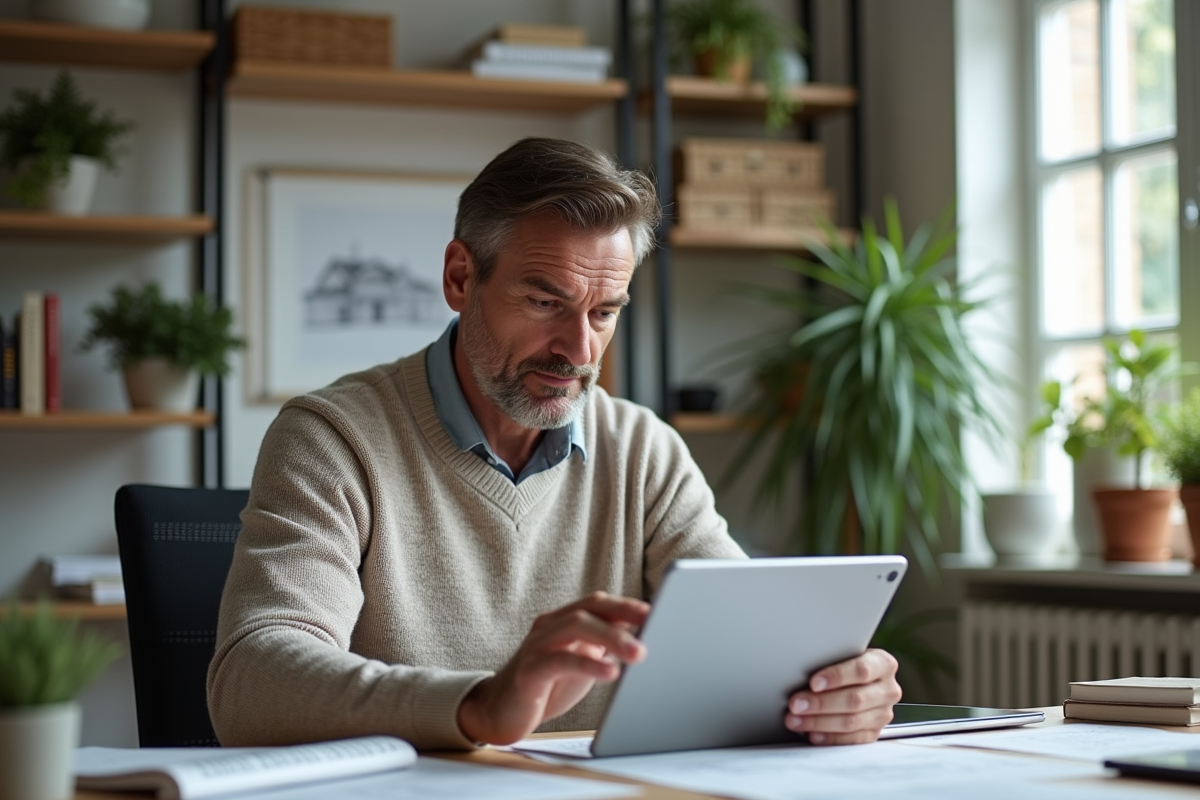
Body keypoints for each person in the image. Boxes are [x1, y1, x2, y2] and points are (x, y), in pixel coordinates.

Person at [207, 137, 901, 751]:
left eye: (604, 313)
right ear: (459, 278)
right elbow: (251, 679)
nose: (578, 349)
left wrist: (833, 692)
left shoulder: (643, 450)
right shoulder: (334, 439)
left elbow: (752, 650)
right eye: (545, 303)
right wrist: (479, 706)